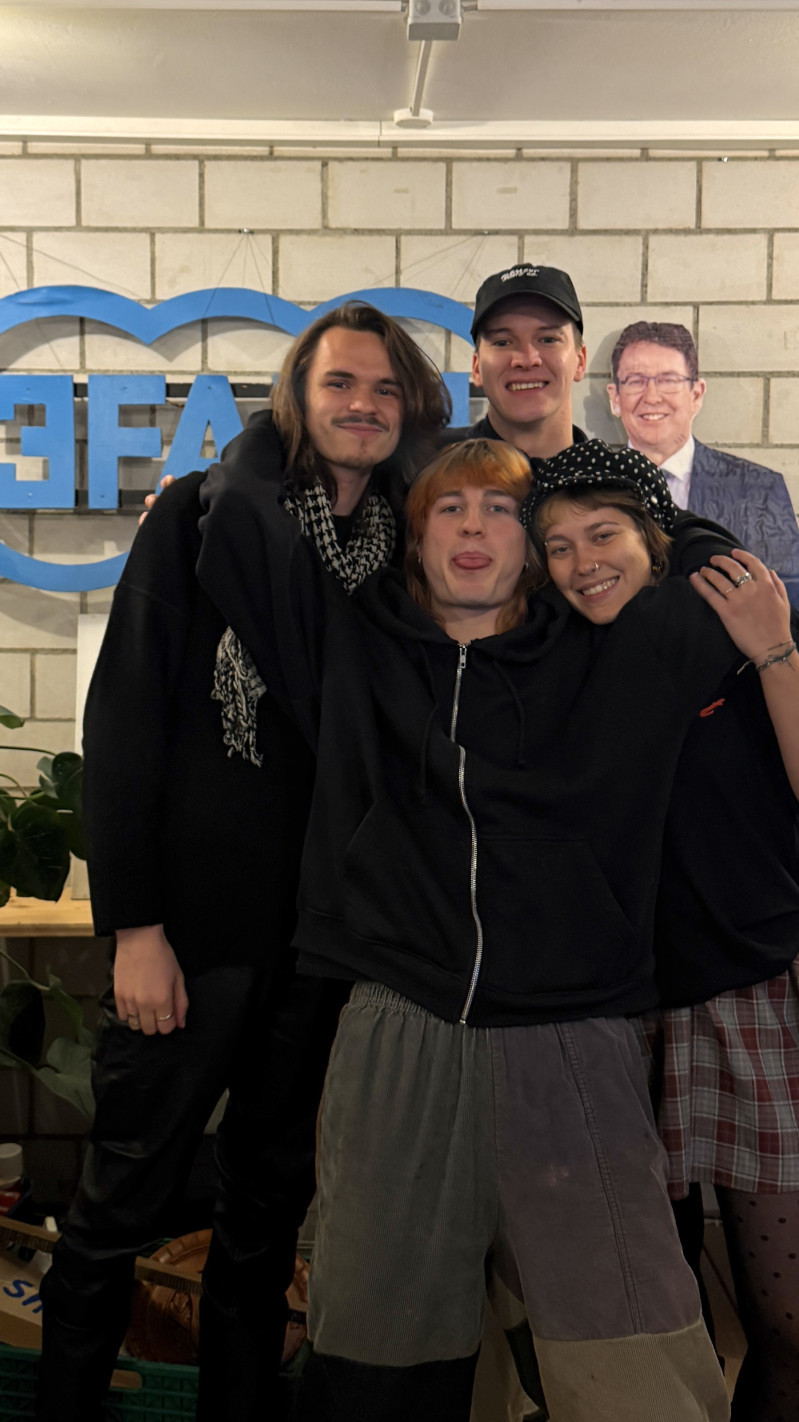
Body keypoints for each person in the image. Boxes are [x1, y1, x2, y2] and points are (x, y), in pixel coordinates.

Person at [197, 434, 793, 1421]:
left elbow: (696, 555)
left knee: (632, 1357)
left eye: (503, 513)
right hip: (398, 1024)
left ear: (534, 552)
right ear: (413, 537)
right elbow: (234, 529)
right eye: (448, 509)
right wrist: (322, 421)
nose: (473, 528)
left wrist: (629, 516)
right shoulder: (354, 641)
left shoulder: (615, 647)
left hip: (576, 1033)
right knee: (377, 1347)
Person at [35, 301, 451, 1422]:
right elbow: (124, 723)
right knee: (117, 1207)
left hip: (323, 942)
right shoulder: (202, 518)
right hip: (194, 934)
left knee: (266, 1216)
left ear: (409, 409)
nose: (363, 405)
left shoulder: (408, 556)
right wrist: (135, 928)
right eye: (340, 383)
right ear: (297, 398)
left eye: (385, 389)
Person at [523, 449, 799, 1422]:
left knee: (786, 1319)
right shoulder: (557, 661)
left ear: (653, 539)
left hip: (746, 985)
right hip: (618, 1009)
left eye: (602, 535)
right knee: (655, 1310)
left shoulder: (729, 623)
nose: (583, 562)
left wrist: (774, 649)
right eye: (558, 547)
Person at [607, 319, 799, 607]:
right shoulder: (589, 489)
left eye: (669, 380)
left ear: (696, 395)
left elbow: (791, 607)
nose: (652, 397)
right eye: (635, 381)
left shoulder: (760, 490)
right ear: (615, 398)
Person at [445, 263, 588, 464]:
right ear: (476, 368)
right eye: (502, 342)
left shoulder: (617, 478)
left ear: (580, 361)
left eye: (548, 340)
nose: (527, 359)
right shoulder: (425, 468)